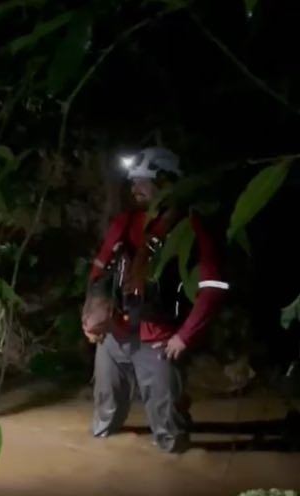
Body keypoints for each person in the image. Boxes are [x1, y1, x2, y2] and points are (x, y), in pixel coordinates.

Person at [82, 147, 228, 452]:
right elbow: (98, 273)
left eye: (143, 181)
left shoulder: (190, 228)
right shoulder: (124, 222)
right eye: (133, 182)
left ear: (165, 183)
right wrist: (91, 316)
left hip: (160, 337)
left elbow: (213, 288)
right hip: (115, 332)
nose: (135, 188)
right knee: (103, 421)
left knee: (169, 433)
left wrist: (185, 337)